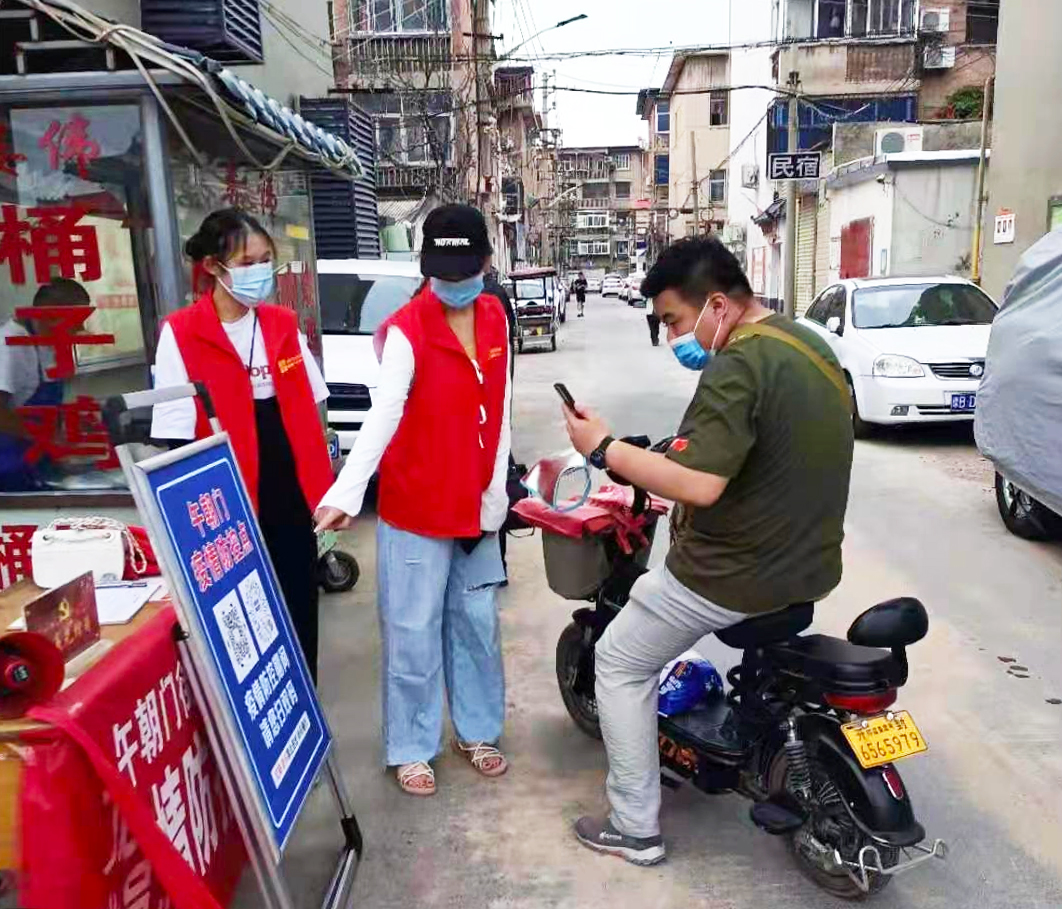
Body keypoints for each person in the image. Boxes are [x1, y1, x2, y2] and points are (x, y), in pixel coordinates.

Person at [561, 236, 854, 865]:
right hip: (808, 565)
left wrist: (604, 449)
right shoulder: (806, 345)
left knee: (619, 661)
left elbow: (698, 484)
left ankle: (634, 827)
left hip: (732, 575)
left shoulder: (737, 365)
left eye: (673, 320)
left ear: (718, 305)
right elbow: (764, 450)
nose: (672, 337)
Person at [314, 204, 512, 798]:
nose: (453, 284)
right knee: (412, 629)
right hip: (416, 506)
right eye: (442, 273)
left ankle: (476, 731)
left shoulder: (496, 316)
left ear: (485, 262)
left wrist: (496, 491)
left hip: (476, 504)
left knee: (477, 625)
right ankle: (411, 745)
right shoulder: (407, 328)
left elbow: (500, 408)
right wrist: (348, 490)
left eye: (463, 271)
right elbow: (385, 414)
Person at [151, 209, 333, 682]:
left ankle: (302, 697)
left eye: (266, 259)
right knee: (241, 614)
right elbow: (174, 434)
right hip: (222, 490)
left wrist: (325, 493)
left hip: (287, 486)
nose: (260, 272)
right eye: (247, 262)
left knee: (298, 602)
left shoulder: (280, 324)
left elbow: (310, 408)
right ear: (214, 266)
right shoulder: (182, 331)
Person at [0, 278, 88, 490]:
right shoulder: (11, 344)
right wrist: (47, 437)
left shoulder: (48, 343)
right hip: (8, 466)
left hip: (36, 461)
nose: (81, 328)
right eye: (76, 320)